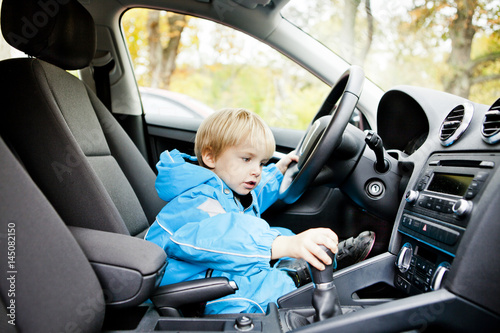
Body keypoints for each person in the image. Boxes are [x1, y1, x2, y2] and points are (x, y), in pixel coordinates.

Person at [145, 108, 375, 314]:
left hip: (211, 271)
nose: (256, 171)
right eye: (247, 159)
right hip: (192, 292)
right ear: (210, 157)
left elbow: (251, 199)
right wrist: (283, 246)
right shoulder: (196, 200)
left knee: (282, 232)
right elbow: (221, 235)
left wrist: (278, 171)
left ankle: (312, 262)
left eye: (261, 163)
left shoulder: (225, 187)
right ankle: (294, 277)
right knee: (270, 278)